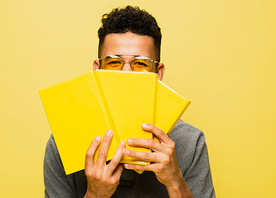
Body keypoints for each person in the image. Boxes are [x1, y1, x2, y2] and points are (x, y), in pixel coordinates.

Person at [44, 5, 215, 198]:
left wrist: (175, 180)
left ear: (158, 75)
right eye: (114, 62)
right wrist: (94, 194)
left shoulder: (191, 142)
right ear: (96, 71)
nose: (126, 73)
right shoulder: (62, 144)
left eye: (140, 64)